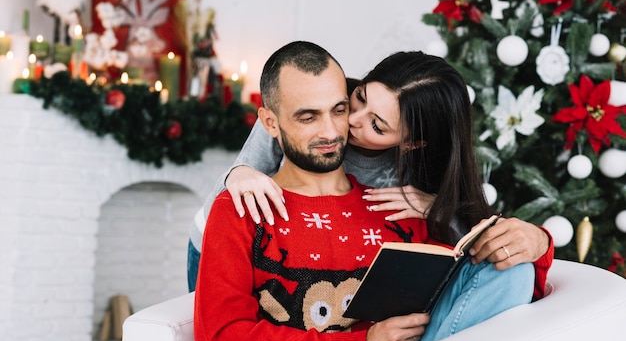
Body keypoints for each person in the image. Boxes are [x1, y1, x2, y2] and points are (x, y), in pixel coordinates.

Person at [189, 41, 536, 341]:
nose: (337, 129)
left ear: (410, 143)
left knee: (513, 270)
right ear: (271, 123)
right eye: (309, 117)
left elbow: (489, 275)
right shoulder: (240, 206)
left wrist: (538, 241)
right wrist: (237, 175)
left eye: (339, 110)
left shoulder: (404, 206)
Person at [186, 52, 554, 298]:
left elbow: (477, 251)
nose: (347, 123)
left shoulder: (416, 173)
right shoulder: (317, 101)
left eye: (377, 126)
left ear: (412, 144)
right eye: (358, 98)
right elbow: (230, 196)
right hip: (217, 249)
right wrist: (240, 173)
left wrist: (438, 210)